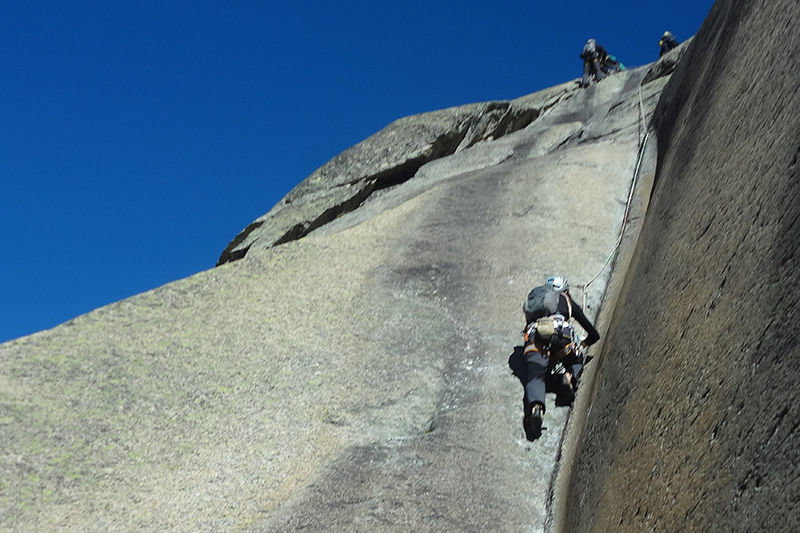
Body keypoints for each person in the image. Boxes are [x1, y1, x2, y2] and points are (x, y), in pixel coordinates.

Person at [520, 276, 600, 441]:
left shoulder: (538, 302)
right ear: (565, 290)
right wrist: (584, 343)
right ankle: (568, 376)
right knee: (576, 358)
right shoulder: (567, 301)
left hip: (536, 335)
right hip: (561, 335)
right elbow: (594, 334)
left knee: (536, 377)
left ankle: (536, 409)